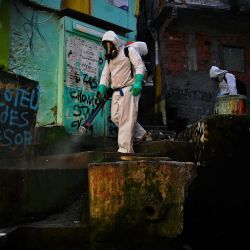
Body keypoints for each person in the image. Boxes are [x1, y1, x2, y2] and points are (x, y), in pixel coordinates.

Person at [97, 30, 150, 153]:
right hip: (116, 91)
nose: (108, 48)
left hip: (130, 89)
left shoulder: (128, 51)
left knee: (126, 119)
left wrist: (138, 81)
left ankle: (124, 150)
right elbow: (105, 76)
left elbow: (139, 65)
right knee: (116, 118)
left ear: (115, 42)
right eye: (106, 45)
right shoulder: (109, 60)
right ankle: (141, 135)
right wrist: (101, 88)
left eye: (110, 44)